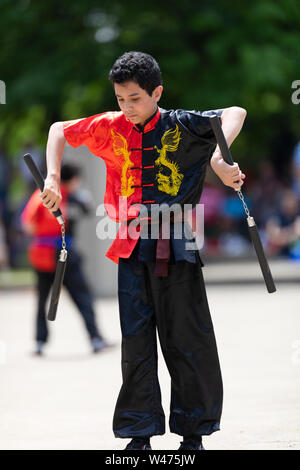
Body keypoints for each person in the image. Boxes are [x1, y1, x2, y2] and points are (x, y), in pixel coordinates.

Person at [39, 51, 247, 450]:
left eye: (135, 98)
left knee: (187, 338)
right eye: (120, 99)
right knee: (135, 341)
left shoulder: (182, 123)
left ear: (157, 93)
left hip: (177, 246)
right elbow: (58, 130)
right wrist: (51, 177)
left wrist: (219, 158)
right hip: (131, 246)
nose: (127, 107)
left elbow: (234, 111)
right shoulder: (110, 127)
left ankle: (193, 433)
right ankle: (139, 432)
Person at [21, 162, 111, 356]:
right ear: (74, 179)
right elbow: (87, 209)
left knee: (42, 298)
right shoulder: (71, 196)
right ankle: (95, 338)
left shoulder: (40, 196)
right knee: (82, 297)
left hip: (42, 253)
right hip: (64, 252)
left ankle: (39, 341)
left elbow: (27, 224)